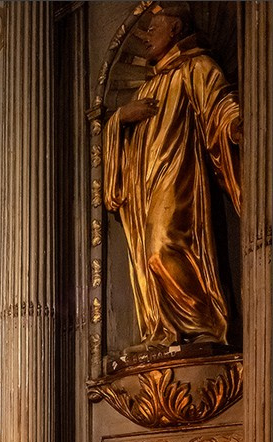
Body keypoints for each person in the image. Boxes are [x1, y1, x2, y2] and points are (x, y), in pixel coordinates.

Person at [103, 2, 241, 347]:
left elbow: (221, 104)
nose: (146, 36)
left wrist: (236, 124)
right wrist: (120, 118)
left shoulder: (196, 67)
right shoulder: (146, 89)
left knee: (162, 248)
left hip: (178, 176)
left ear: (176, 29)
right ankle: (164, 330)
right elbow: (118, 138)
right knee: (146, 258)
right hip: (144, 186)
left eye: (154, 28)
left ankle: (203, 324)